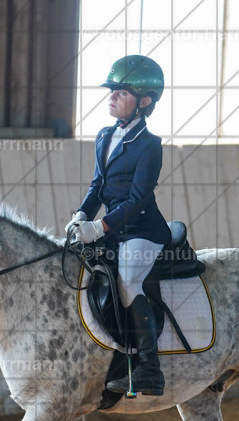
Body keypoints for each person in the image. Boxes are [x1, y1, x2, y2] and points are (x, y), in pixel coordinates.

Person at [66, 55, 170, 396]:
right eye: (112, 91)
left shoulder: (150, 146)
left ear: (144, 101)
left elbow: (138, 198)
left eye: (120, 93)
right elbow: (98, 186)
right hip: (112, 228)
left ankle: (150, 371)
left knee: (127, 281)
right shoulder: (104, 135)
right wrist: (82, 215)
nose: (111, 97)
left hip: (142, 231)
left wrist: (100, 227)